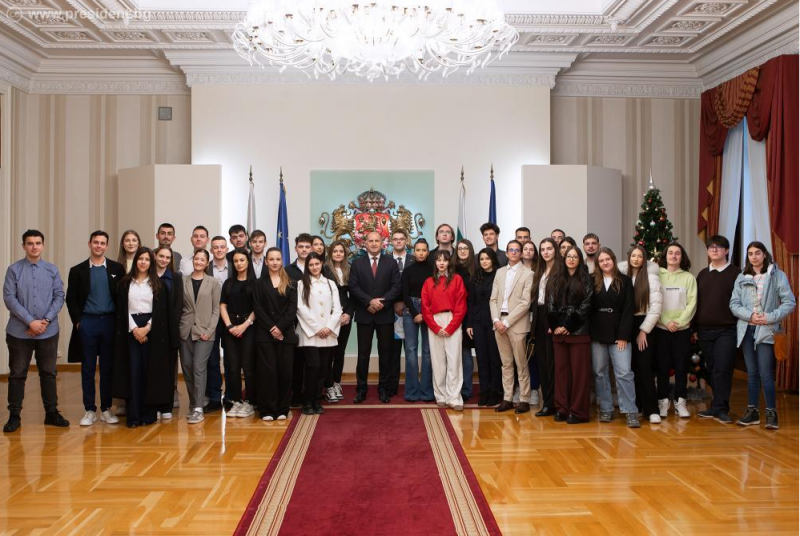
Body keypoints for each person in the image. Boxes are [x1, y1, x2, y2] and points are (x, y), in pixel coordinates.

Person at [3, 230, 68, 433]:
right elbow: (9, 298)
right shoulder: (13, 270)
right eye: (30, 243)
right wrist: (31, 322)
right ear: (23, 246)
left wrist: (45, 321)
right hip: (19, 332)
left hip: (48, 331)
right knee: (17, 374)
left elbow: (59, 296)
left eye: (38, 243)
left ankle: (51, 413)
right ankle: (14, 416)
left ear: (43, 245)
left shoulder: (52, 270)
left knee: (48, 373)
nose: (34, 246)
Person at [730, 242, 796, 430]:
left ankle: (771, 413)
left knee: (766, 372)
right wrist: (750, 316)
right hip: (747, 330)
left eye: (757, 253)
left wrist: (769, 317)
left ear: (765, 254)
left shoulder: (776, 276)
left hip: (766, 330)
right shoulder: (741, 277)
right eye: (750, 253)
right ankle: (752, 412)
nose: (754, 256)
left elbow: (789, 302)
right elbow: (734, 304)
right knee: (752, 373)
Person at [66, 231, 125, 427]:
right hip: (87, 323)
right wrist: (78, 322)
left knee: (108, 367)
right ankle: (89, 410)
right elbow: (71, 299)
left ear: (107, 246)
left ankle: (106, 408)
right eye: (96, 242)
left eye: (102, 243)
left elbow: (122, 297)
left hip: (110, 323)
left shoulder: (117, 268)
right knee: (88, 368)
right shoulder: (78, 270)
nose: (99, 246)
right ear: (89, 244)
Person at [113, 247, 177, 428]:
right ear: (136, 261)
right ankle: (133, 416)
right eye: (140, 259)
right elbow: (121, 309)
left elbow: (161, 311)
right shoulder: (125, 283)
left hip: (152, 330)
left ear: (151, 262)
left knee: (150, 373)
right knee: (133, 372)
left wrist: (146, 329)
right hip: (130, 328)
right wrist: (135, 329)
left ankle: (148, 415)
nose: (143, 262)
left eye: (147, 259)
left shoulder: (158, 284)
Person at [349, 231, 402, 403]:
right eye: (370, 241)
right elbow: (353, 286)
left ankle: (383, 389)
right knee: (363, 355)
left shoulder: (391, 262)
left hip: (384, 315)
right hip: (364, 314)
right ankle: (361, 390)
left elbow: (396, 286)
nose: (373, 243)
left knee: (385, 354)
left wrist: (381, 303)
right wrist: (369, 302)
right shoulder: (357, 263)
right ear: (365, 243)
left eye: (376, 241)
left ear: (382, 243)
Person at [590, 248, 638, 428]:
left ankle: (630, 410)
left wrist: (624, 335)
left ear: (614, 260)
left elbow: (629, 309)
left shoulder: (625, 281)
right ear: (598, 264)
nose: (605, 262)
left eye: (608, 259)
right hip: (597, 332)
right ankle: (606, 408)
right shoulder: (591, 280)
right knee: (599, 372)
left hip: (620, 333)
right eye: (601, 260)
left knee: (624, 372)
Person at [695, 235, 740, 424]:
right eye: (711, 247)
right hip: (704, 330)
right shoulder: (702, 274)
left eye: (719, 247)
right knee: (712, 368)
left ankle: (721, 408)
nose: (714, 250)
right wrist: (694, 328)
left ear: (726, 250)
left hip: (727, 330)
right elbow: (696, 303)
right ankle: (716, 405)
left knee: (723, 368)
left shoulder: (736, 274)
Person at [548, 245, 593, 424]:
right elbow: (551, 303)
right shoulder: (556, 279)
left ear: (579, 259)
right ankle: (562, 409)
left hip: (578, 332)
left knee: (579, 374)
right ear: (564, 259)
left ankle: (578, 412)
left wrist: (568, 325)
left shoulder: (587, 279)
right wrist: (557, 325)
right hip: (559, 333)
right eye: (568, 256)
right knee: (561, 373)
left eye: (575, 256)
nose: (571, 259)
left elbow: (586, 305)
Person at [253, 247, 298, 421]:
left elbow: (292, 310)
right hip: (265, 335)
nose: (274, 262)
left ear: (282, 261)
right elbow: (258, 308)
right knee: (267, 373)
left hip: (286, 334)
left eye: (278, 259)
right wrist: (272, 328)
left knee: (285, 373)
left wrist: (280, 328)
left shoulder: (291, 283)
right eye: (271, 259)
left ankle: (282, 408)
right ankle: (267, 409)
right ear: (266, 261)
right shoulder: (258, 283)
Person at [490, 240, 534, 414]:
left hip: (516, 323)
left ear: (521, 253)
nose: (514, 252)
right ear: (507, 253)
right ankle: (507, 398)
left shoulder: (528, 274)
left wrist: (507, 322)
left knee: (521, 363)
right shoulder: (500, 272)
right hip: (499, 322)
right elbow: (493, 299)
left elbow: (525, 303)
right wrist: (496, 320)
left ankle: (524, 399)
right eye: (511, 250)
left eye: (517, 250)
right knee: (506, 363)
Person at [296, 252, 342, 415]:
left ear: (322, 264)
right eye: (311, 265)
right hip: (310, 333)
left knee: (323, 369)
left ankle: (316, 399)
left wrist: (329, 327)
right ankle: (307, 401)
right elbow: (301, 308)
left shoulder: (330, 283)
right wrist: (317, 328)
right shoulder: (302, 284)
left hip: (328, 334)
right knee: (312, 367)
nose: (314, 267)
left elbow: (337, 309)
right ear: (307, 267)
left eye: (317, 264)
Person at [422, 250, 467, 411]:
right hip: (434, 321)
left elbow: (461, 306)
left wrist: (450, 327)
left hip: (452, 319)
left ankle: (454, 397)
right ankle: (440, 395)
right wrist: (435, 327)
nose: (441, 263)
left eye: (445, 260)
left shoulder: (457, 280)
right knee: (438, 360)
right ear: (435, 263)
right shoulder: (428, 282)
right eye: (438, 260)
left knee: (454, 360)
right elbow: (425, 307)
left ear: (449, 263)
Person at [656, 242, 697, 419]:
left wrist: (679, 323)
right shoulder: (656, 275)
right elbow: (653, 302)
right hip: (661, 329)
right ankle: (663, 401)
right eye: (670, 253)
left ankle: (681, 402)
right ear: (665, 256)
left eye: (677, 253)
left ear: (682, 257)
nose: (673, 256)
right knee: (662, 367)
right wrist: (666, 321)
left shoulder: (689, 278)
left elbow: (692, 304)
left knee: (681, 367)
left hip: (682, 330)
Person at [179, 249, 220, 424]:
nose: (199, 262)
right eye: (196, 259)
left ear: (207, 262)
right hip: (186, 330)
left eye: (202, 259)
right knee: (187, 368)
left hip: (205, 332)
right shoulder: (183, 281)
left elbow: (216, 309)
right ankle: (194, 403)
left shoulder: (213, 282)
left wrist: (209, 330)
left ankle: (198, 408)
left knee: (198, 367)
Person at [624, 245, 662, 424]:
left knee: (645, 368)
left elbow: (656, 308)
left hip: (644, 325)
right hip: (626, 325)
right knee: (630, 368)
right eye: (633, 255)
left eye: (640, 256)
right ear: (629, 258)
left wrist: (643, 330)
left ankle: (652, 409)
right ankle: (637, 406)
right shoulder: (623, 278)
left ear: (644, 259)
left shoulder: (651, 278)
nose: (636, 259)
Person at [220, 248, 256, 418]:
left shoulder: (255, 283)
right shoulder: (228, 283)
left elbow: (257, 308)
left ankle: (250, 401)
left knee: (248, 367)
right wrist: (229, 326)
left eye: (242, 260)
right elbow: (223, 305)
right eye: (235, 261)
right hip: (230, 329)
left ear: (248, 261)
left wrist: (244, 325)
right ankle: (235, 400)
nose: (239, 263)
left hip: (249, 328)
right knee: (232, 367)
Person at [468, 248, 503, 406]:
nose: (484, 261)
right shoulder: (476, 277)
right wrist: (469, 323)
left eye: (487, 258)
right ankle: (484, 391)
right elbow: (471, 301)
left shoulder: (499, 276)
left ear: (493, 259)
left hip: (494, 321)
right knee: (481, 358)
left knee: (494, 358)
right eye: (481, 259)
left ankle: (495, 392)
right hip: (477, 321)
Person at [401, 239, 434, 402]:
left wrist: (425, 313)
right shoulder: (408, 270)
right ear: (414, 252)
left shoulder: (434, 269)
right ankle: (412, 391)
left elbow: (436, 293)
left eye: (424, 250)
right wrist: (415, 313)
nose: (421, 253)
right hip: (410, 310)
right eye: (418, 250)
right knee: (411, 350)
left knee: (428, 351)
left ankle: (427, 391)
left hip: (430, 309)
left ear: (428, 252)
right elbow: (404, 294)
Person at [532, 238, 562, 415]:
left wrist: (555, 322)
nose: (545, 252)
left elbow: (562, 300)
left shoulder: (561, 271)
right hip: (539, 319)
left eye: (549, 248)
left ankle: (557, 403)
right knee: (542, 362)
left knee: (554, 363)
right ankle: (547, 402)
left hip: (553, 318)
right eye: (542, 249)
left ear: (555, 250)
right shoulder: (539, 271)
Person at [323, 241, 354, 402]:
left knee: (340, 351)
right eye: (335, 251)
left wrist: (348, 313)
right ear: (330, 253)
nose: (338, 254)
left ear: (344, 253)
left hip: (346, 316)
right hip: (330, 316)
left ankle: (336, 382)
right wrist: (335, 315)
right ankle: (328, 385)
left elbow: (353, 294)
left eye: (341, 251)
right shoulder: (325, 269)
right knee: (330, 352)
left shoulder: (349, 268)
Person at [154, 245, 183, 418]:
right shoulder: (148, 276)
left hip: (170, 330)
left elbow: (178, 304)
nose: (164, 260)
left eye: (167, 257)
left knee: (168, 369)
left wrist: (172, 324)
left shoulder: (176, 277)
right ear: (155, 256)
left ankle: (166, 406)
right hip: (151, 329)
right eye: (161, 256)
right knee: (154, 369)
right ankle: (154, 405)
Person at [285, 234, 313, 406]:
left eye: (307, 247)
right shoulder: (287, 270)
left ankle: (312, 393)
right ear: (296, 248)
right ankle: (296, 393)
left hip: (314, 321)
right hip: (294, 320)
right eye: (301, 247)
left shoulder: (318, 267)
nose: (304, 250)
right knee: (296, 359)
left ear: (312, 248)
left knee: (312, 359)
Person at [204, 236, 230, 413]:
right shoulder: (205, 268)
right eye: (215, 247)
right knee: (212, 360)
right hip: (210, 319)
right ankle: (214, 397)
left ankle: (230, 396)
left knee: (230, 360)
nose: (219, 250)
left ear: (226, 249)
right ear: (211, 250)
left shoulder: (235, 266)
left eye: (222, 247)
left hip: (230, 320)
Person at [388, 230, 412, 397]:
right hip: (390, 311)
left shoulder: (413, 259)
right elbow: (383, 285)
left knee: (410, 350)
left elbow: (416, 284)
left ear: (406, 241)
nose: (398, 242)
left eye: (401, 239)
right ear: (391, 241)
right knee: (393, 352)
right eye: (395, 239)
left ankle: (411, 386)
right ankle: (392, 386)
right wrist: (395, 302)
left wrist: (404, 302)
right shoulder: (385, 260)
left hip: (410, 310)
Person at [454, 239, 476, 400]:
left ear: (470, 251)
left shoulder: (476, 269)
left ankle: (466, 390)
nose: (462, 251)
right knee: (453, 354)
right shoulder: (451, 269)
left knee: (465, 353)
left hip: (470, 316)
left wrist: (470, 321)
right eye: (460, 248)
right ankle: (453, 388)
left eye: (465, 248)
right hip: (453, 315)